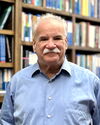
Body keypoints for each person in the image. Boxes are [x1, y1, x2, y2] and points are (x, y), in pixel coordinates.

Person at [0, 13, 100, 125]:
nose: (51, 45)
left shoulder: (91, 82)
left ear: (66, 43)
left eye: (57, 38)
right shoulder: (16, 83)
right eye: (43, 39)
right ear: (34, 45)